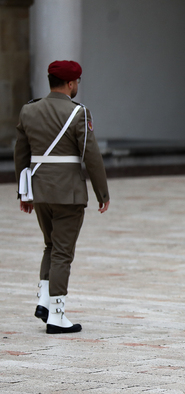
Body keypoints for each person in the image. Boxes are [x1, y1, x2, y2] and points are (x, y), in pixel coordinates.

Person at [14, 60, 110, 333]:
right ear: (70, 83)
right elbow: (91, 155)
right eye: (76, 82)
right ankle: (57, 315)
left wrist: (24, 192)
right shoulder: (78, 113)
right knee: (63, 253)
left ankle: (43, 301)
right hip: (68, 193)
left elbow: (21, 154)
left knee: (50, 246)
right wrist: (102, 192)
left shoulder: (29, 110)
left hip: (40, 190)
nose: (77, 86)